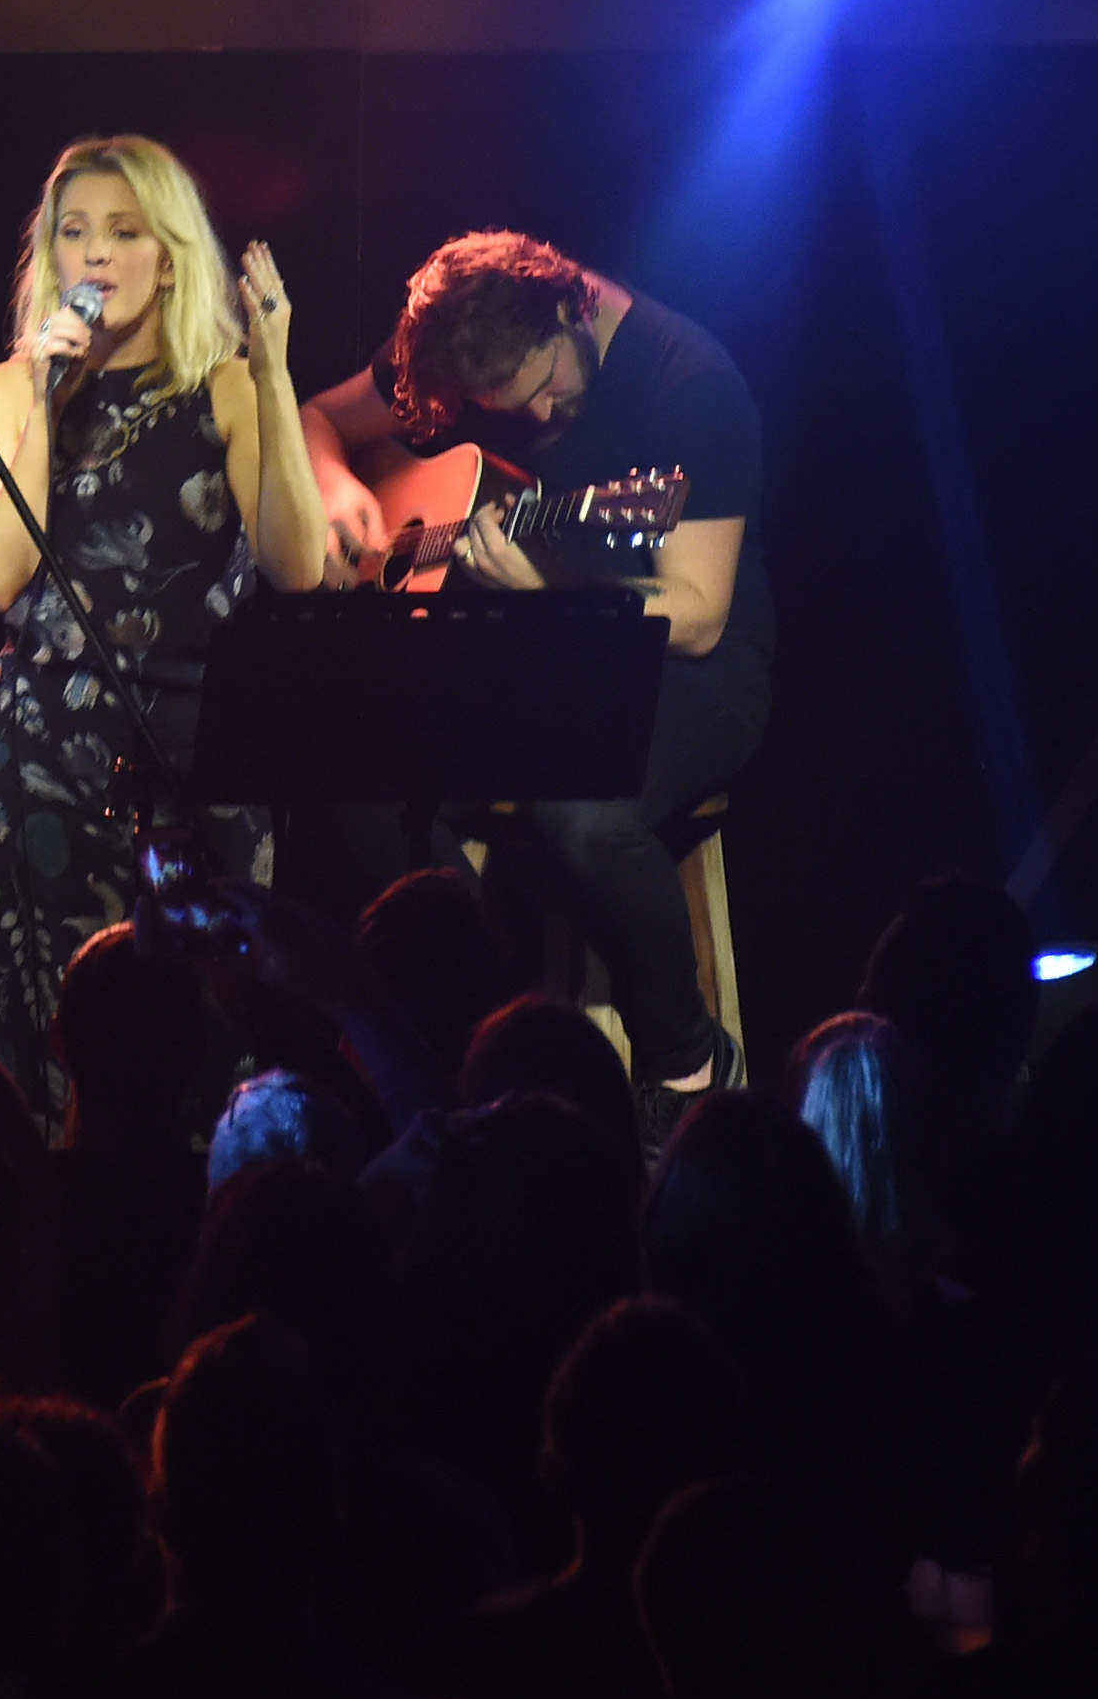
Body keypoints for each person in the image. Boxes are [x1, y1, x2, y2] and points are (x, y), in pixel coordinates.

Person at [300, 232, 769, 1138]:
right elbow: (321, 417)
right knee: (353, 772)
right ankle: (487, 1041)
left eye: (548, 382)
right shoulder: (460, 340)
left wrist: (549, 592)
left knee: (579, 806)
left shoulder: (688, 385)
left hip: (684, 669)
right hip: (529, 658)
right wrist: (336, 491)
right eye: (509, 408)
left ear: (569, 307)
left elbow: (700, 615)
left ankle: (688, 1062)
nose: (546, 412)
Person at [0, 135, 325, 1130]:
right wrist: (44, 397)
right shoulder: (5, 392)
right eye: (74, 232)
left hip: (198, 751)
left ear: (169, 256)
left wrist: (274, 376)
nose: (96, 253)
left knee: (209, 1030)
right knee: (57, 1039)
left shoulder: (226, 386)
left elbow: (298, 566)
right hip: (48, 755)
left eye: (124, 232)